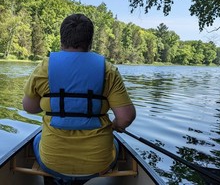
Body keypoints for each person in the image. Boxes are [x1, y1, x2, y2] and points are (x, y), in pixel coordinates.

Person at [22, 13, 136, 185]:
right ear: (90, 43)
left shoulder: (44, 68)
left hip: (52, 161)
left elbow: (29, 107)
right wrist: (116, 126)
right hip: (98, 163)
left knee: (37, 139)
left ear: (61, 41)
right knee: (114, 144)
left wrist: (53, 104)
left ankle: (59, 178)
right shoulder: (108, 70)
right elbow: (126, 117)